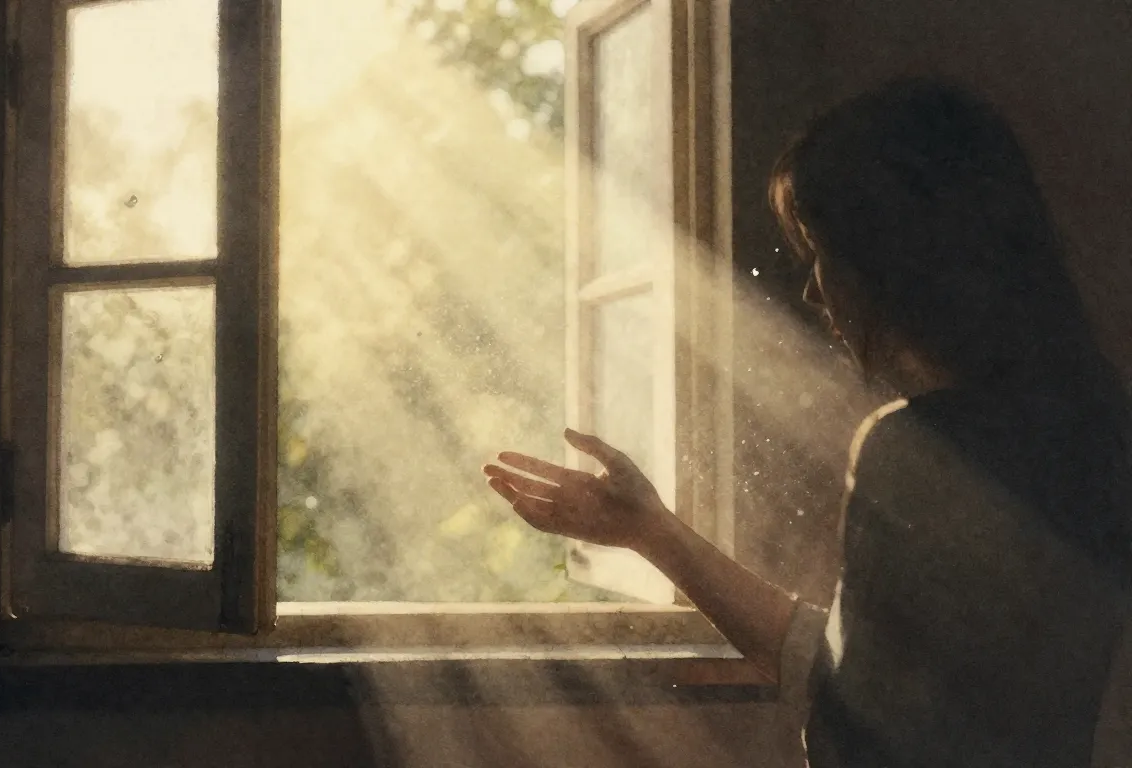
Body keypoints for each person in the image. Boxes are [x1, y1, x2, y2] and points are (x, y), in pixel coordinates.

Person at [484, 77, 1132, 768]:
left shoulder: (917, 453)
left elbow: (856, 730)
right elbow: (858, 682)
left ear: (891, 257)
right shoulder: (1099, 425)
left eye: (821, 252)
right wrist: (650, 530)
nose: (813, 289)